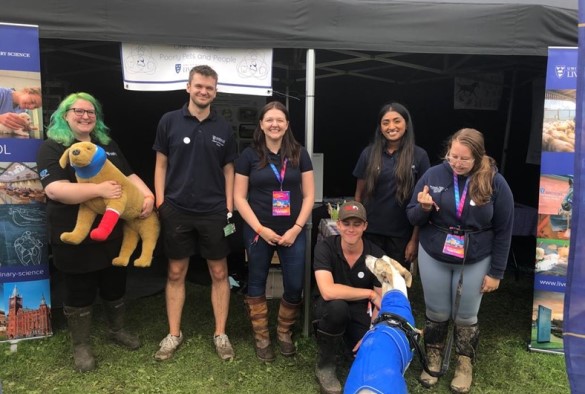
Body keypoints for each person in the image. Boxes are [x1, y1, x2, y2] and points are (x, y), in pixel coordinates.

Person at [36, 92, 155, 372]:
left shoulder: (107, 144)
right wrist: (99, 190)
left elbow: (128, 176)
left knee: (115, 283)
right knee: (79, 289)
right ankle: (81, 345)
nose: (85, 116)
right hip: (72, 232)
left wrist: (148, 195)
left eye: (91, 112)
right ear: (65, 115)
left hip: (111, 231)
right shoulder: (52, 148)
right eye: (78, 111)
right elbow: (54, 189)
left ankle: (117, 329)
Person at [406, 128, 514, 393]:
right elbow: (411, 216)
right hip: (435, 252)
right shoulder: (433, 174)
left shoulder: (495, 182)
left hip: (476, 256)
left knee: (466, 314)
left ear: (478, 157)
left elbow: (504, 229)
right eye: (452, 156)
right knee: (437, 311)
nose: (456, 163)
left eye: (464, 159)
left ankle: (464, 364)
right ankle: (433, 357)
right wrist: (424, 208)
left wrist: (497, 272)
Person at [153, 65, 237, 361]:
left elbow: (229, 170)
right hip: (176, 209)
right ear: (188, 87)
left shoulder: (224, 128)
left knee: (219, 272)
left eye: (209, 88)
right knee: (176, 271)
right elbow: (161, 164)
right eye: (199, 86)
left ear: (215, 92)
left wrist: (229, 207)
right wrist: (162, 203)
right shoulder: (169, 121)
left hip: (214, 211)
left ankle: (221, 334)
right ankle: (174, 334)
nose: (204, 92)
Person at [234, 101, 314, 362]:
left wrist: (297, 228)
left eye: (280, 120)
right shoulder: (248, 156)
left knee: (294, 284)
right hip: (259, 231)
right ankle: (262, 337)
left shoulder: (300, 154)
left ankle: (283, 332)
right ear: (261, 124)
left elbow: (310, 195)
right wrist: (260, 228)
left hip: (293, 230)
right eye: (269, 119)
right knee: (256, 280)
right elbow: (239, 198)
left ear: (287, 124)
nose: (274, 124)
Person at [312, 201, 385, 394]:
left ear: (365, 226)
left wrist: (372, 333)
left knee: (369, 355)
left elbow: (381, 300)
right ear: (338, 225)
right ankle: (325, 365)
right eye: (346, 223)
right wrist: (368, 293)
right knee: (337, 308)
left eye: (357, 224)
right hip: (330, 307)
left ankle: (346, 344)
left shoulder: (377, 254)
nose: (351, 229)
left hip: (361, 311)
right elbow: (327, 291)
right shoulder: (325, 248)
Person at [353, 102, 430, 269]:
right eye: (385, 122)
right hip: (370, 234)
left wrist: (414, 240)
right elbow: (359, 195)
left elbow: (422, 204)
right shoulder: (368, 154)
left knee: (396, 285)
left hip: (402, 237)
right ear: (380, 127)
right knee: (370, 282)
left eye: (397, 121)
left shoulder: (419, 156)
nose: (391, 126)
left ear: (406, 124)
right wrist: (358, 230)